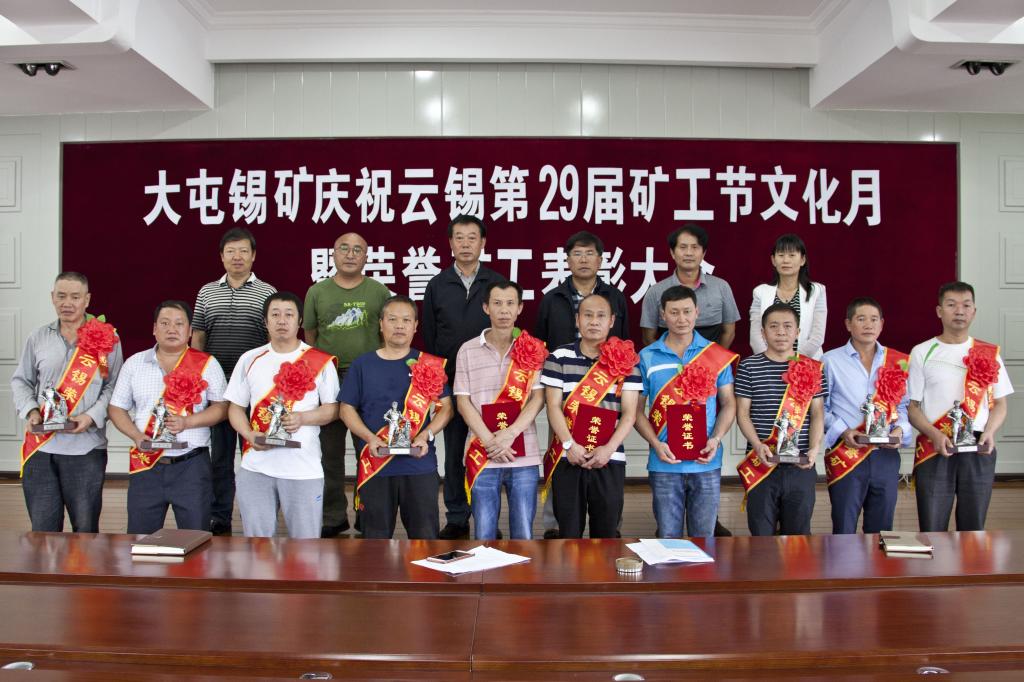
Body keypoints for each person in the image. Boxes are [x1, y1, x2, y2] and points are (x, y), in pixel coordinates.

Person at [534, 230, 629, 539]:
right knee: (563, 463)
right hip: (564, 396)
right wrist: (568, 443)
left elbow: (625, 341)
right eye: (577, 253)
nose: (584, 259)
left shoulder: (615, 296)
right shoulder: (552, 298)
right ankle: (556, 526)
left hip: (607, 404)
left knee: (606, 515)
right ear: (567, 259)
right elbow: (541, 343)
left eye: (590, 253)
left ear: (600, 260)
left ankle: (607, 531)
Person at [12, 271, 123, 533]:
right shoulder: (38, 337)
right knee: (43, 530)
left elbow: (114, 387)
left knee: (85, 531)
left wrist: (91, 416)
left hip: (86, 448)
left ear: (87, 300)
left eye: (75, 297)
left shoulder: (108, 338)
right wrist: (31, 411)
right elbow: (21, 381)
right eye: (61, 296)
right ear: (52, 297)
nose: (67, 303)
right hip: (42, 447)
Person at [224, 292, 339, 539]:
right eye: (275, 315)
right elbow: (234, 408)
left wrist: (303, 418)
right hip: (255, 467)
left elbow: (333, 409)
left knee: (306, 549)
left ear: (300, 321)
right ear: (265, 321)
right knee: (257, 546)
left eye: (289, 315)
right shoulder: (250, 359)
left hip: (303, 468)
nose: (282, 320)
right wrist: (248, 434)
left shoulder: (320, 361)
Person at [340, 296, 455, 540]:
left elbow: (446, 408)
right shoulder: (362, 365)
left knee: (425, 539)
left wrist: (426, 435)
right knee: (374, 542)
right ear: (381, 324)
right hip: (376, 465)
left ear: (415, 326)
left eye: (406, 320)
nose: (399, 325)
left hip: (419, 464)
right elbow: (346, 409)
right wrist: (370, 438)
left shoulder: (428, 364)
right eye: (392, 319)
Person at [108, 301, 228, 534]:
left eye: (179, 324)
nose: (172, 329)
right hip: (147, 464)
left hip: (191, 465)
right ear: (154, 329)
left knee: (196, 538)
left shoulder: (207, 364)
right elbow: (116, 408)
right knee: (140, 539)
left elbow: (222, 408)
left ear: (190, 331)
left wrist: (188, 422)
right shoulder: (135, 363)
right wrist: (136, 436)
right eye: (165, 323)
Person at [303, 232, 391, 537]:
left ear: (366, 257)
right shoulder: (317, 292)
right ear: (333, 254)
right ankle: (333, 516)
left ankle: (367, 515)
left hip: (367, 378)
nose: (350, 254)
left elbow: (386, 336)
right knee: (329, 454)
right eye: (344, 248)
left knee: (370, 448)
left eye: (357, 250)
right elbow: (310, 337)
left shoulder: (378, 292)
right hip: (328, 379)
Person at [421, 214, 502, 539]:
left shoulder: (495, 282)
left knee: (490, 448)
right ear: (450, 242)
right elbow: (429, 335)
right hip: (452, 384)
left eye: (472, 237)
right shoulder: (437, 285)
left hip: (491, 385)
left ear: (483, 243)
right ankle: (457, 516)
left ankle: (489, 517)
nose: (466, 243)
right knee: (455, 452)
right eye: (459, 237)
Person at [908, 282, 1012, 532]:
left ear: (974, 311)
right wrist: (934, 434)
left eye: (966, 305)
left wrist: (989, 432)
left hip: (978, 447)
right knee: (932, 528)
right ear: (939, 311)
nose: (959, 311)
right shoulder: (922, 352)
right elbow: (912, 407)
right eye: (951, 305)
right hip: (935, 446)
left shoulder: (988, 353)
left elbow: (1000, 403)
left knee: (973, 527)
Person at [192, 227, 276, 535]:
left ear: (253, 256)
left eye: (243, 251)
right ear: (222, 257)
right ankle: (220, 516)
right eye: (231, 251)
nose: (237, 257)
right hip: (217, 390)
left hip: (254, 390)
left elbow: (273, 342)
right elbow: (198, 337)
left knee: (256, 453)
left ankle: (262, 515)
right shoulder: (207, 292)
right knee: (220, 457)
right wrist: (197, 379)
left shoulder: (267, 292)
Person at [635, 286, 737, 538]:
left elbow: (729, 403)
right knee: (667, 538)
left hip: (706, 461)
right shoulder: (647, 357)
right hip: (664, 461)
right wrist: (656, 444)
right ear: (662, 315)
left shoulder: (715, 355)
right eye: (674, 312)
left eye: (687, 311)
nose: (681, 319)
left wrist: (716, 439)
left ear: (697, 312)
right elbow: (635, 411)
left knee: (704, 539)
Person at [541, 294, 642, 539]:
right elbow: (552, 406)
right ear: (577, 320)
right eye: (587, 315)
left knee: (606, 533)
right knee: (568, 533)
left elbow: (629, 414)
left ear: (611, 321)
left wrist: (608, 449)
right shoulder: (558, 357)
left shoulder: (627, 361)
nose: (594, 321)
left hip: (609, 458)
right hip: (568, 456)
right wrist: (569, 445)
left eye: (600, 316)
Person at [455, 281, 546, 540]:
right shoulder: (467, 350)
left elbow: (538, 398)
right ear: (486, 308)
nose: (504, 310)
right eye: (497, 303)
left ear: (520, 308)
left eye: (510, 303)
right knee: (484, 532)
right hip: (482, 453)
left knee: (524, 533)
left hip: (524, 454)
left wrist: (510, 434)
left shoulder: (533, 349)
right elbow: (463, 402)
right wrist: (490, 441)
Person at [735, 303, 827, 536]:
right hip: (761, 463)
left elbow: (817, 413)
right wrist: (757, 445)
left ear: (797, 332)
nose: (781, 332)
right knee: (761, 535)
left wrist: (814, 449)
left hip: (801, 465)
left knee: (798, 536)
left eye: (787, 326)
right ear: (763, 332)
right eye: (773, 326)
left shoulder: (812, 368)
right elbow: (742, 413)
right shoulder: (748, 366)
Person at [822, 298, 910, 534]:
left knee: (882, 529)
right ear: (848, 324)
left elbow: (904, 407)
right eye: (861, 319)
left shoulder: (898, 361)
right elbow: (821, 408)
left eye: (874, 319)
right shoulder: (830, 361)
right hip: (847, 452)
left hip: (885, 455)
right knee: (844, 527)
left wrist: (900, 430)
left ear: (882, 324)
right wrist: (844, 431)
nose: (868, 325)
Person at [641, 223, 740, 348]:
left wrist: (716, 358)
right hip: (669, 359)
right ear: (672, 253)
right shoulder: (655, 292)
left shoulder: (721, 287)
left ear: (703, 253)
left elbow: (729, 332)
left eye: (695, 247)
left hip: (711, 359)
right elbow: (648, 337)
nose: (689, 253)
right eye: (683, 247)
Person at [749, 233, 827, 359]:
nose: (786, 260)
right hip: (769, 364)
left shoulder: (817, 291)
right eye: (781, 255)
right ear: (773, 260)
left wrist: (794, 361)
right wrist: (771, 361)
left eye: (792, 255)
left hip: (806, 362)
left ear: (802, 260)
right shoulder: (760, 292)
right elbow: (756, 336)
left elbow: (817, 336)